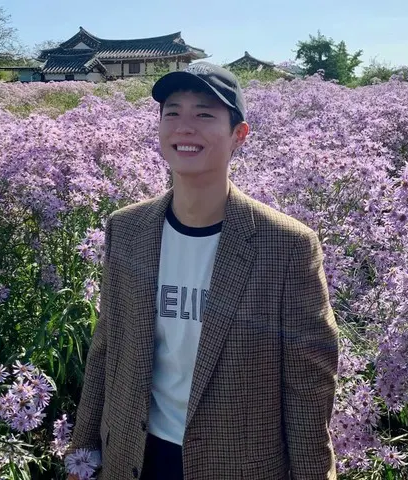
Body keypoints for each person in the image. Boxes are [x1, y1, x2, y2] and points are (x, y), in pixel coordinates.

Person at [66, 61, 339, 480]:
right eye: (172, 112)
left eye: (205, 114)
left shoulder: (287, 246)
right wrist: (82, 457)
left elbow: (308, 390)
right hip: (135, 456)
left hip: (238, 465)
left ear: (239, 135)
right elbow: (107, 347)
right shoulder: (126, 229)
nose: (184, 127)